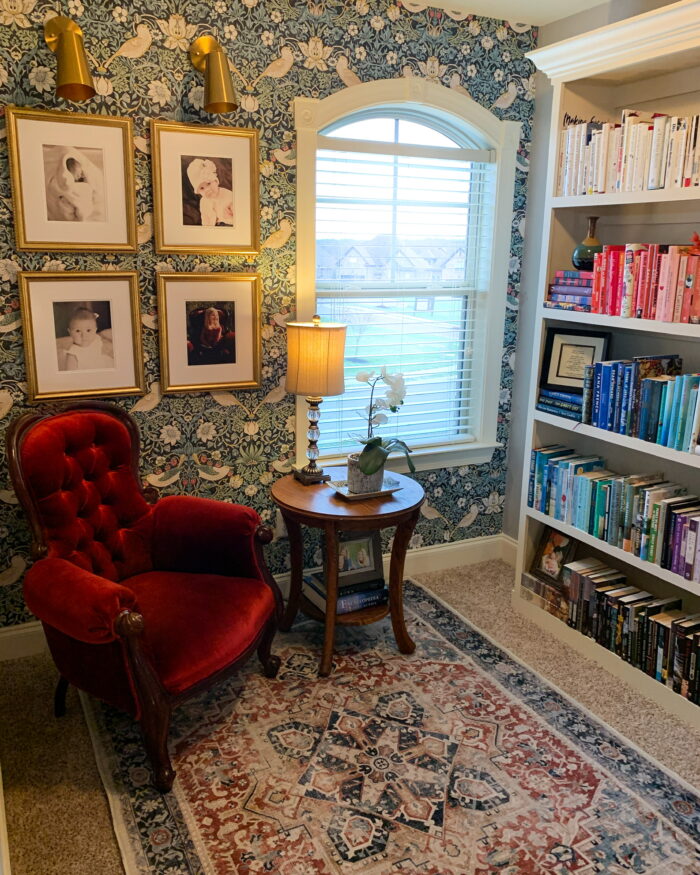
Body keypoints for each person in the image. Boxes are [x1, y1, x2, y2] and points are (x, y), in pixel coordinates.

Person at [45, 147, 105, 223]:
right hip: (67, 205)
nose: (81, 174)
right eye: (78, 173)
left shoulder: (83, 180)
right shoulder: (66, 182)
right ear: (69, 172)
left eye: (81, 172)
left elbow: (90, 188)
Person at [186, 158, 234, 226]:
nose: (207, 189)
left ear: (216, 181)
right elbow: (205, 218)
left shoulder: (227, 195)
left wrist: (231, 215)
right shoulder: (203, 202)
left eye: (208, 183)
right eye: (202, 188)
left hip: (228, 224)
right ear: (198, 192)